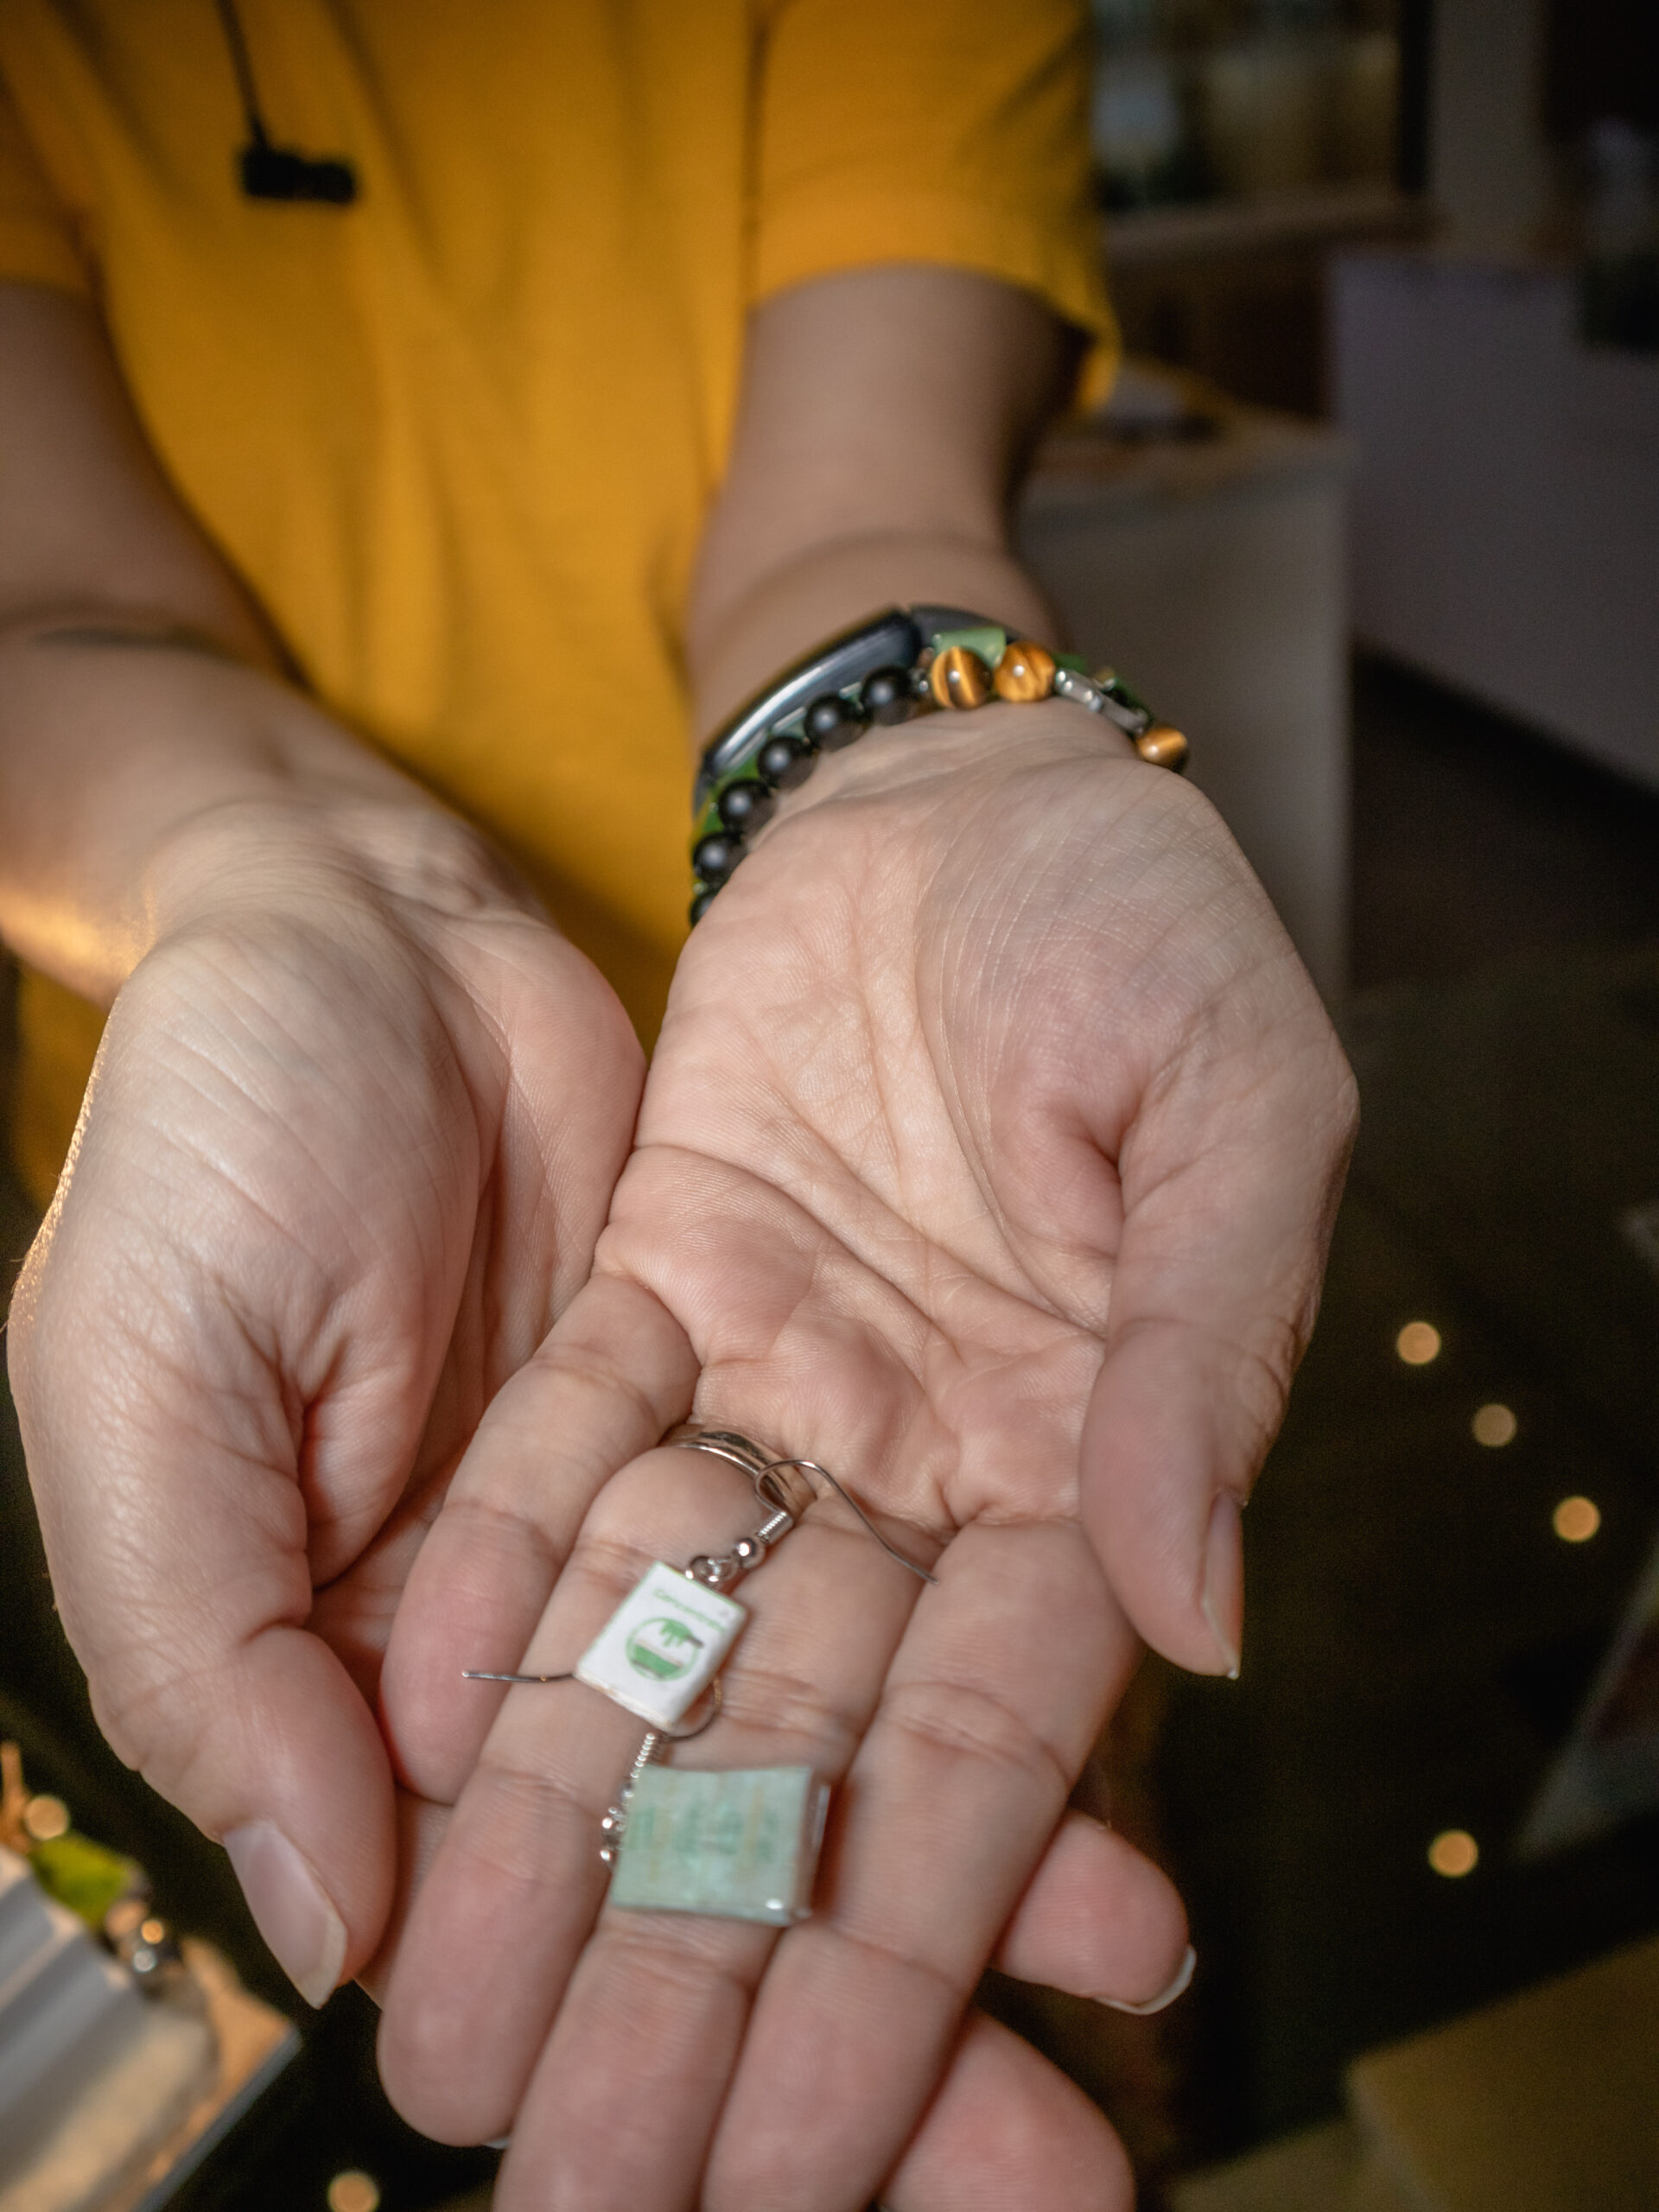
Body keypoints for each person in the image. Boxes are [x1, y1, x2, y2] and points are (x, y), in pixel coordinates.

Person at [0, 3, 1355, 2205]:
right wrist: (284, 887)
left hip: (921, 1228)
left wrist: (930, 755)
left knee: (997, 1947)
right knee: (500, 2006)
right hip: (375, 1275)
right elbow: (49, 611)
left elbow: (862, 509)